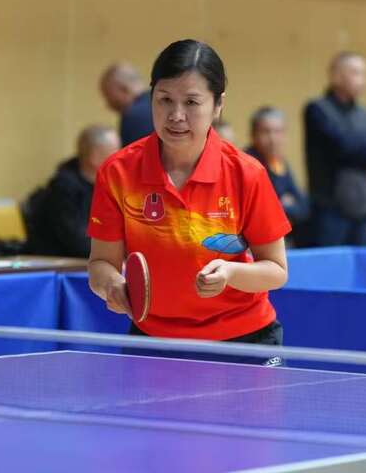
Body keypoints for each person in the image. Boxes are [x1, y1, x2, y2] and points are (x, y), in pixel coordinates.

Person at [87, 39, 291, 349]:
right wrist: (111, 284)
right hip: (155, 340)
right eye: (165, 99)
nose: (176, 115)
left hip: (244, 340)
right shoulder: (118, 173)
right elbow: (101, 263)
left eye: (192, 102)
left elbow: (276, 271)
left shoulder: (246, 173)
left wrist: (231, 272)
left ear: (218, 105)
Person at [303, 51, 366, 247]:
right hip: (329, 207)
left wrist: (357, 146)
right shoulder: (317, 109)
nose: (363, 81)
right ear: (336, 76)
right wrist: (365, 147)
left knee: (362, 261)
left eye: (364, 74)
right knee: (330, 262)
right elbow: (341, 148)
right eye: (356, 73)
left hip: (362, 206)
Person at [24, 125, 120, 258]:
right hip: (59, 264)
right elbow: (77, 242)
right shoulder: (63, 190)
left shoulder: (110, 186)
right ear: (95, 157)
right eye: (115, 151)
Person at [244, 107, 310, 247]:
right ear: (253, 135)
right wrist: (284, 202)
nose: (273, 139)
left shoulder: (280, 163)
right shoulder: (246, 163)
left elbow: (303, 207)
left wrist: (282, 204)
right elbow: (263, 211)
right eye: (266, 132)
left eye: (278, 132)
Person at [99, 61, 152, 146]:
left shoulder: (132, 115)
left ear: (124, 88)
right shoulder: (166, 103)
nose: (108, 105)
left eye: (108, 95)